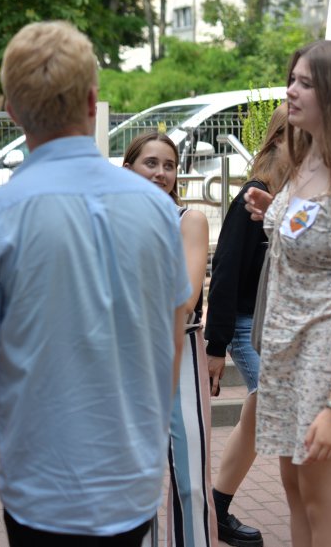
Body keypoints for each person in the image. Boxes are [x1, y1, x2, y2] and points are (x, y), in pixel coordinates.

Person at [0, 20, 190, 547]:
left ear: (10, 109)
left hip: (41, 488)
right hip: (130, 482)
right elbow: (171, 336)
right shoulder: (157, 211)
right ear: (93, 101)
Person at [243, 39, 331, 546]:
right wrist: (271, 211)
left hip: (329, 365)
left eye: (306, 83)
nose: (291, 90)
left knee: (326, 504)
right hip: (287, 355)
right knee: (298, 493)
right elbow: (314, 243)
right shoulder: (303, 164)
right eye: (292, 79)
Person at [123, 131, 216, 547]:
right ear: (128, 170)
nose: (162, 172)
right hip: (123, 359)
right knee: (131, 484)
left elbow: (187, 297)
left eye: (169, 165)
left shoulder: (188, 221)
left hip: (180, 356)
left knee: (191, 480)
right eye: (151, 163)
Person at [205, 103, 289, 547]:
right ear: (278, 140)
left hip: (276, 326)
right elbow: (226, 269)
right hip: (244, 324)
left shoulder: (292, 198)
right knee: (267, 407)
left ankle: (215, 508)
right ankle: (216, 508)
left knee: (259, 414)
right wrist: (216, 345)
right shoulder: (255, 195)